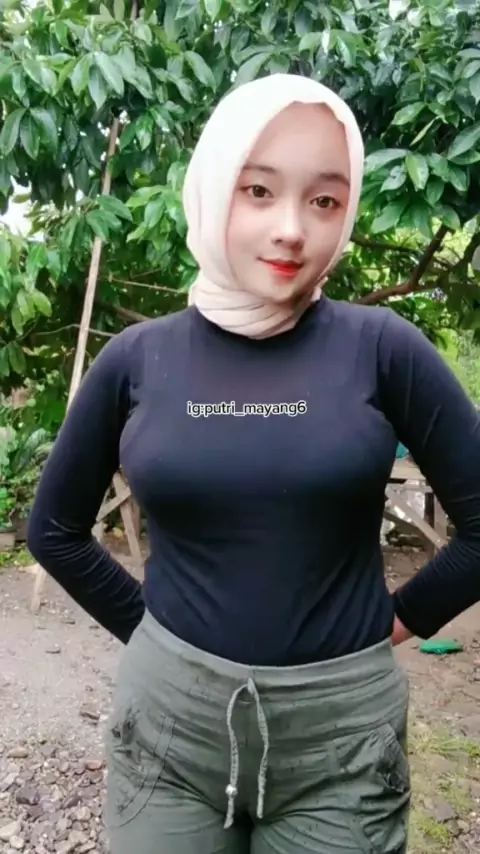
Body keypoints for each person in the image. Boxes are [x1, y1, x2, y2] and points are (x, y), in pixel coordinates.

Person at [26, 73, 480, 854]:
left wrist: (397, 619)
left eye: (325, 200)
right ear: (212, 190)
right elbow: (55, 530)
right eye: (259, 190)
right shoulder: (138, 358)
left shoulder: (383, 349)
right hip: (168, 735)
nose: (292, 230)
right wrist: (152, 634)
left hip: (342, 741)